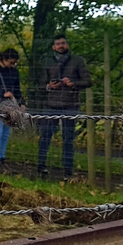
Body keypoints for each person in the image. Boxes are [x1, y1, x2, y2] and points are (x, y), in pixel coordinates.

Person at [36, 34, 91, 179]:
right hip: (50, 105)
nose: (61, 46)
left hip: (70, 105)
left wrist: (73, 83)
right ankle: (41, 166)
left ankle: (68, 171)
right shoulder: (48, 62)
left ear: (67, 45)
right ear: (54, 47)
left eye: (63, 43)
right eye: (58, 44)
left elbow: (88, 81)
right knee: (45, 137)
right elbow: (40, 86)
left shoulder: (78, 61)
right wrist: (49, 86)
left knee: (68, 139)